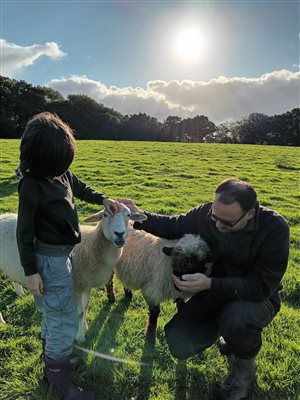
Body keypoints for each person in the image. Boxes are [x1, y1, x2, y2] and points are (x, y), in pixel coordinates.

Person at [121, 178, 290, 400]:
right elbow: (173, 224)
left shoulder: (274, 229)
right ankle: (227, 334)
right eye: (214, 217)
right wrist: (138, 215)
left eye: (226, 223)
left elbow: (261, 287)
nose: (217, 225)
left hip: (257, 297)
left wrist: (210, 284)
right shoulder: (207, 214)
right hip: (215, 291)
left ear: (250, 214)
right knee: (178, 340)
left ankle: (242, 370)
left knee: (237, 319)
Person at [16, 112, 121, 400]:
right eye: (56, 167)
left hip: (65, 254)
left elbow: (79, 185)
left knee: (55, 312)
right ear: (38, 161)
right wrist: (31, 271)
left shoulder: (59, 172)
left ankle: (53, 362)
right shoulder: (32, 185)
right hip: (49, 260)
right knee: (62, 316)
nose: (61, 173)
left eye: (64, 166)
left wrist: (103, 199)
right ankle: (62, 387)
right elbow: (24, 233)